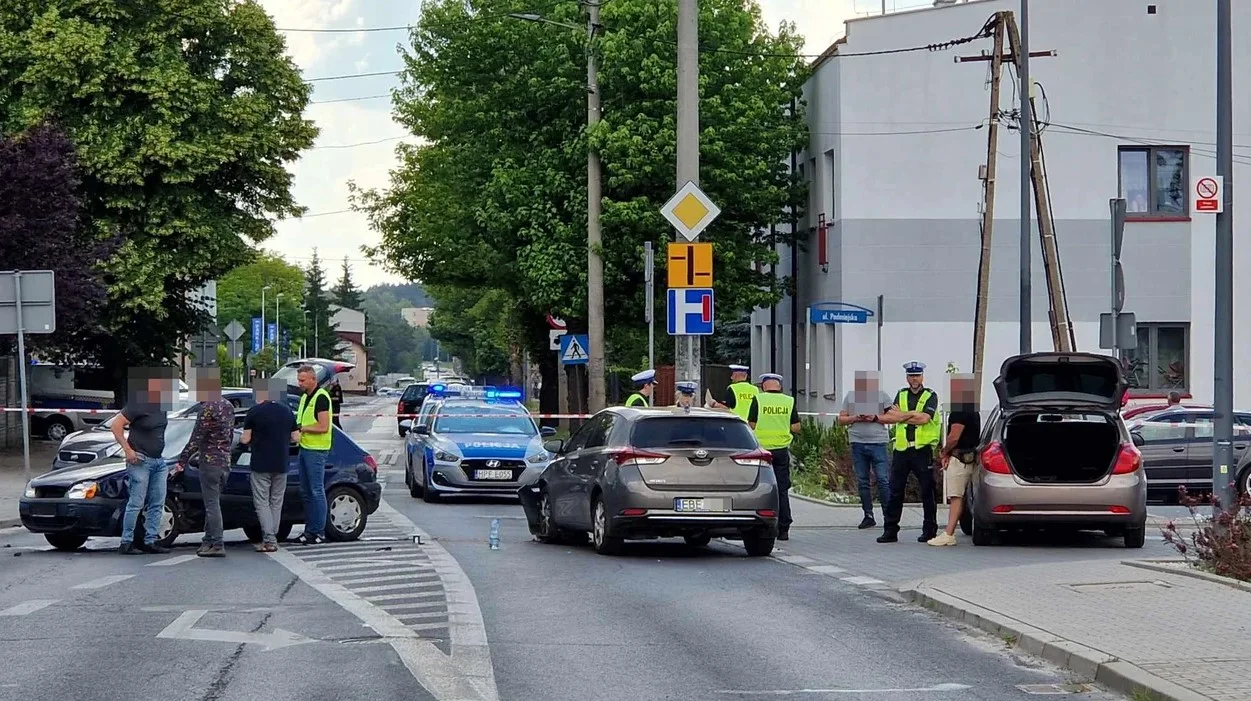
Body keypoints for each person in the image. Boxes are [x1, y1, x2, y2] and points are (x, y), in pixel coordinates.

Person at [112, 370, 175, 555]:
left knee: (157, 502)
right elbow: (115, 426)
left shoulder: (162, 406)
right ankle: (127, 541)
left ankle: (150, 540)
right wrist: (128, 450)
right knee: (136, 502)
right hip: (140, 460)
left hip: (158, 461)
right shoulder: (139, 404)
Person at [877, 361, 941, 544]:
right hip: (902, 450)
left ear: (922, 377)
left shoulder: (930, 395)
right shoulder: (901, 394)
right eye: (911, 376)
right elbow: (892, 416)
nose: (915, 379)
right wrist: (912, 415)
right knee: (895, 491)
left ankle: (929, 531)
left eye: (917, 375)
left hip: (922, 449)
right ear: (907, 377)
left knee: (927, 492)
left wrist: (903, 415)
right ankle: (890, 530)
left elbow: (924, 419)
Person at [176, 369, 237, 557]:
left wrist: (182, 461)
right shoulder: (228, 405)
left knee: (211, 504)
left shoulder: (207, 408)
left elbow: (196, 438)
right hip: (225, 461)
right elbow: (231, 434)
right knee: (214, 502)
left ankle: (217, 543)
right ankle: (208, 540)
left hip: (209, 461)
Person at [242, 378, 298, 552]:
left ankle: (269, 538)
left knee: (262, 502)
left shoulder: (254, 412)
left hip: (260, 463)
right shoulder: (287, 411)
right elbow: (296, 438)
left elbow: (245, 439)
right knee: (276, 501)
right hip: (282, 462)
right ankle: (272, 536)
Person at [929, 374, 981, 547]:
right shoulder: (974, 411)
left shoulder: (959, 411)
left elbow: (953, 437)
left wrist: (944, 452)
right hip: (972, 456)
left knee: (955, 496)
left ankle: (949, 533)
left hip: (959, 458)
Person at [747, 373, 801, 541]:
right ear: (779, 386)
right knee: (782, 489)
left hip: (762, 452)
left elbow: (751, 425)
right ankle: (784, 528)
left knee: (760, 486)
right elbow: (796, 427)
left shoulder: (758, 400)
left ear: (764, 386)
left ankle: (762, 523)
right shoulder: (788, 401)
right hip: (781, 451)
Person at [838, 370, 894, 530]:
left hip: (878, 442)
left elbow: (893, 417)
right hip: (857, 442)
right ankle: (868, 515)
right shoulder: (851, 396)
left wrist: (875, 417)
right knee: (862, 481)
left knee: (883, 480)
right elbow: (841, 419)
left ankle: (888, 516)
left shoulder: (882, 396)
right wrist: (855, 417)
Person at [295, 365, 334, 545]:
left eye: (303, 380)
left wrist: (302, 429)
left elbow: (323, 426)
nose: (300, 383)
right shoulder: (305, 397)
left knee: (316, 491)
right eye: (299, 380)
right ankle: (309, 530)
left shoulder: (321, 397)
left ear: (313, 379)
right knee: (306, 492)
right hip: (305, 447)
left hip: (316, 450)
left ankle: (318, 531)